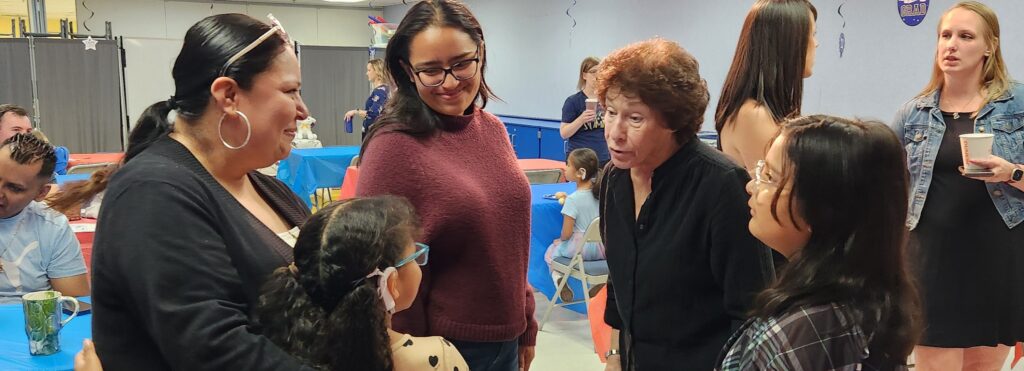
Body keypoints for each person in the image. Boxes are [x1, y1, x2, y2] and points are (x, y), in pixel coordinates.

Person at [87, 13, 316, 370]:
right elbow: (214, 350)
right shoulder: (153, 193)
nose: (303, 111)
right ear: (228, 95)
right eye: (290, 91)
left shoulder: (269, 189)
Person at [356, 1, 537, 370]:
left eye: (461, 64)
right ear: (407, 71)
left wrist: (526, 320)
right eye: (431, 71)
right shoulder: (394, 146)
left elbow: (507, 240)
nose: (450, 82)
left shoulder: (491, 129)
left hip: (506, 335)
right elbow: (380, 273)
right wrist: (413, 353)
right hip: (441, 346)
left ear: (480, 53)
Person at [596, 38, 777, 370]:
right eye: (609, 112)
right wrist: (615, 354)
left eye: (635, 119)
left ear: (674, 121)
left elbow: (751, 310)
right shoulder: (614, 178)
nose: (615, 132)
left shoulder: (721, 184)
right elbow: (619, 278)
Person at [716, 115, 922, 370]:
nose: (752, 186)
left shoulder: (811, 329)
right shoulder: (859, 298)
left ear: (821, 209)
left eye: (770, 177)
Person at [891, 2, 1024, 370]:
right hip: (931, 262)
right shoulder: (912, 113)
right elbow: (885, 185)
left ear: (989, 47)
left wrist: (1011, 172)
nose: (951, 44)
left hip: (999, 259)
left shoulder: (1018, 104)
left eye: (966, 36)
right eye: (945, 35)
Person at [257, 196, 468, 371]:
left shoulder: (274, 348)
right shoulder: (436, 359)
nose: (419, 262)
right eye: (415, 256)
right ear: (390, 282)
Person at [714, 0, 818, 170]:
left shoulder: (768, 111)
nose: (816, 43)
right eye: (813, 34)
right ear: (788, 42)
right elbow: (780, 191)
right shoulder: (754, 116)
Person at [0, 133, 89, 304]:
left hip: (32, 325)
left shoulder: (53, 227)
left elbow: (76, 304)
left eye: (14, 188)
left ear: (41, 193)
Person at [545, 147, 604, 301]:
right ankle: (600, 284)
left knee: (551, 253)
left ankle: (559, 280)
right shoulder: (601, 195)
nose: (565, 168)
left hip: (578, 251)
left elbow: (566, 233)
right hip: (602, 249)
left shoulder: (572, 200)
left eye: (569, 165)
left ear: (580, 172)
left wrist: (561, 241)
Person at [560, 57, 609, 165]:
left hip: (603, 157)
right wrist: (581, 120)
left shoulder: (606, 100)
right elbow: (564, 133)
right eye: (593, 72)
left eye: (600, 72)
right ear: (584, 75)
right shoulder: (573, 101)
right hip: (580, 160)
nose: (597, 75)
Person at [346, 58, 392, 140]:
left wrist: (355, 111)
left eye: (369, 70)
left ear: (377, 71)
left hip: (375, 136)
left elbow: (373, 115)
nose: (366, 73)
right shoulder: (385, 90)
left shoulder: (380, 92)